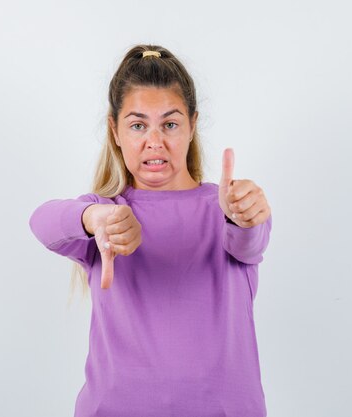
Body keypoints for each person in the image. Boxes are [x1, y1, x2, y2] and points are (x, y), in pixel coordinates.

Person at [28, 44, 273, 417]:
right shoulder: (106, 213)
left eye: (170, 124)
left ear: (192, 125)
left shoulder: (228, 208)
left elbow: (249, 242)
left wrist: (244, 215)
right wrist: (92, 219)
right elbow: (42, 222)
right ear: (115, 131)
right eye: (138, 125)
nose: (154, 142)